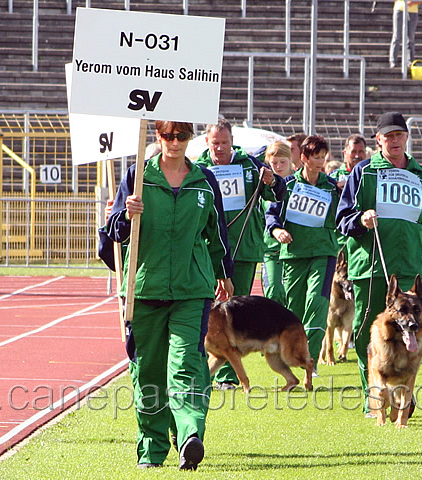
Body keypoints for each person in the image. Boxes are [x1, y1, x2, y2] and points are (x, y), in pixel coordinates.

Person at [107, 120, 234, 470]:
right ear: (157, 137)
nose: (174, 142)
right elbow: (113, 234)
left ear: (190, 138)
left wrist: (224, 273)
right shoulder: (138, 176)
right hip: (144, 288)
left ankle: (191, 434)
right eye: (167, 135)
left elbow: (216, 231)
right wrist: (125, 214)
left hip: (192, 289)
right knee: (147, 371)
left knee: (186, 364)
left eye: (181, 135)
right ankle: (152, 449)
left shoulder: (204, 181)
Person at [336, 112, 422, 416]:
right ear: (378, 140)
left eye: (399, 135)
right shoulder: (364, 172)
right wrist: (361, 220)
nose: (394, 141)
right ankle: (375, 399)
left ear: (406, 138)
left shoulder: (421, 175)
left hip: (409, 267)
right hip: (372, 266)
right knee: (370, 335)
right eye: (388, 136)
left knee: (411, 332)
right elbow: (342, 219)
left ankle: (403, 396)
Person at [195, 118, 286, 389]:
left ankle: (226, 377)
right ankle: (200, 368)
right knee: (204, 308)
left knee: (234, 311)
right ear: (207, 143)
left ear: (232, 141)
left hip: (243, 247)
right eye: (215, 144)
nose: (220, 148)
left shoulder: (249, 165)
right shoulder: (199, 167)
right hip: (208, 249)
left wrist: (272, 181)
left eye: (224, 143)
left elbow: (278, 193)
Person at [266, 135, 340, 373]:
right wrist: (277, 230)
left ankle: (311, 360)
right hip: (293, 254)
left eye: (323, 157)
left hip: (323, 253)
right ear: (304, 158)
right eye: (316, 157)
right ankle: (292, 356)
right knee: (294, 309)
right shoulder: (287, 185)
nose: (320, 162)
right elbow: (272, 214)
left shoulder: (332, 187)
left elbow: (347, 209)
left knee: (316, 303)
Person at [260, 140, 294, 305]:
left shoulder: (298, 183)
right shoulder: (264, 186)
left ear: (290, 160)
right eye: (274, 163)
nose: (278, 166)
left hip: (294, 249)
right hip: (271, 250)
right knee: (273, 293)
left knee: (293, 296)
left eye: (283, 162)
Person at [390, 1, 422, 69]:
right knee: (397, 36)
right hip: (400, 9)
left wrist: (413, 2)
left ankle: (410, 61)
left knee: (410, 37)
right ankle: (393, 61)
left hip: (413, 11)